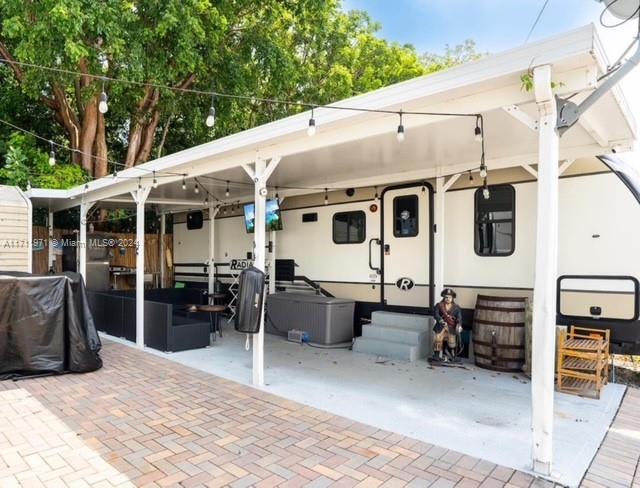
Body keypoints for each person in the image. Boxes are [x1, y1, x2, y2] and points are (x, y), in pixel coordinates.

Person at [432, 288, 463, 362]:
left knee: (452, 341)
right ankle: (436, 355)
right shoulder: (439, 305)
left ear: (452, 298)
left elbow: (459, 317)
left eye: (449, 297)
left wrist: (459, 324)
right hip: (440, 327)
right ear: (444, 297)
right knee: (438, 340)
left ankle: (452, 356)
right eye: (446, 297)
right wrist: (441, 320)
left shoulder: (456, 307)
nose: (448, 299)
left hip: (451, 327)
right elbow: (435, 314)